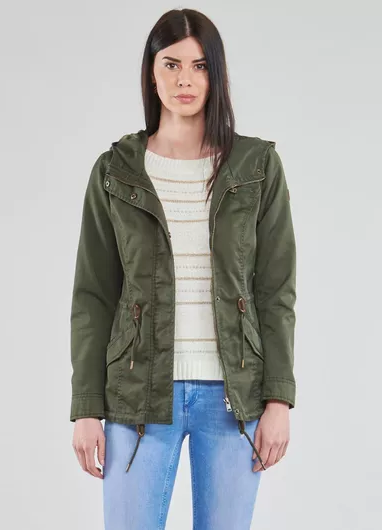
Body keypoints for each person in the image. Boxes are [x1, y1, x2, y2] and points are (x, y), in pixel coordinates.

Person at [70, 8, 297, 530]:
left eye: (199, 66)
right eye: (170, 65)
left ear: (216, 75)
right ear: (152, 73)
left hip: (235, 397)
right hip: (136, 395)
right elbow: (94, 296)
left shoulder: (257, 167)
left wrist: (279, 399)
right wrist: (86, 407)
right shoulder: (115, 170)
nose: (184, 80)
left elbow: (276, 291)